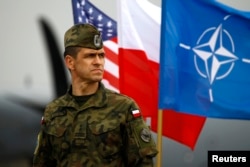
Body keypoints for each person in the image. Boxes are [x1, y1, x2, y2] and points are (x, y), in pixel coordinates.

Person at [33, 23, 158, 167]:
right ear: (70, 62)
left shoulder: (124, 108)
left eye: (101, 56)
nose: (98, 62)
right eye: (90, 56)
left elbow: (143, 163)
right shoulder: (53, 112)